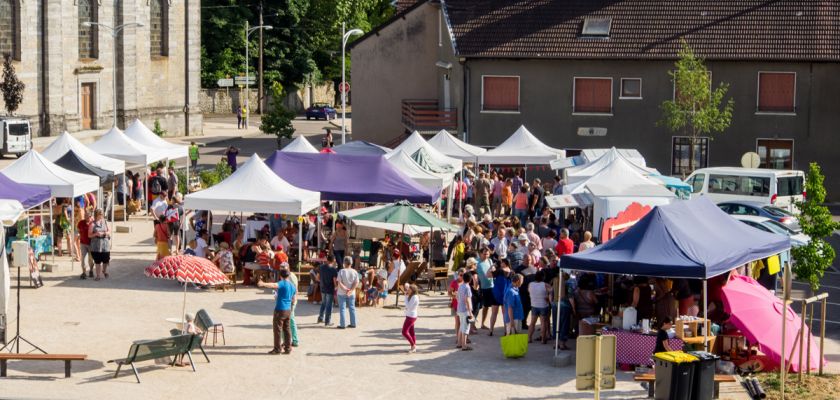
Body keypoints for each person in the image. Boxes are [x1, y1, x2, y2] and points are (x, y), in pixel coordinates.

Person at [258, 269, 297, 354]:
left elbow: (273, 285)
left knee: (277, 330)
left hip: (280, 309)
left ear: (280, 276)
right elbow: (293, 300)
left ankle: (277, 349)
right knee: (287, 329)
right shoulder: (292, 286)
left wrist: (263, 283)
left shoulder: (282, 283)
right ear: (289, 275)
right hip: (288, 310)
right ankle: (288, 348)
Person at [476, 247, 498, 335]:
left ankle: (482, 324)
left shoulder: (489, 261)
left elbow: (493, 271)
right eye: (484, 254)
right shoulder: (476, 262)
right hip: (481, 288)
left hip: (490, 286)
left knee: (487, 306)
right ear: (480, 254)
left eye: (488, 254)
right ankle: (472, 324)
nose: (486, 255)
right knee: (477, 307)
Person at [528, 270, 551, 344]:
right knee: (543, 323)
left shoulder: (530, 284)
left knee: (532, 323)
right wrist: (548, 297)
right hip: (543, 305)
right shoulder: (545, 285)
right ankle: (543, 339)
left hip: (534, 305)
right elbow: (551, 291)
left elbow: (529, 292)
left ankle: (529, 338)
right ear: (543, 277)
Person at [336, 256, 359, 329]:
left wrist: (345, 288)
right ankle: (353, 323)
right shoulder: (355, 271)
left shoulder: (341, 271)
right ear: (351, 263)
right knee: (352, 308)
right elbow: (356, 282)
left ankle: (342, 324)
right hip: (351, 293)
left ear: (344, 263)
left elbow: (339, 282)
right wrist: (351, 290)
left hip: (342, 292)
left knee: (342, 309)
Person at [88, 209, 111, 281]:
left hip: (105, 245)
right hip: (96, 246)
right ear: (96, 215)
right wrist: (96, 234)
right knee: (97, 261)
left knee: (106, 260)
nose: (101, 215)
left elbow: (109, 231)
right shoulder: (92, 224)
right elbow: (89, 235)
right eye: (99, 214)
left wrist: (105, 233)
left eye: (102, 214)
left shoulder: (105, 222)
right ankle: (98, 276)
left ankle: (104, 270)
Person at [317, 255, 338, 326]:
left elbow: (317, 278)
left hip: (322, 288)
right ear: (334, 260)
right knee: (329, 305)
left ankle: (320, 317)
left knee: (323, 303)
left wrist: (322, 282)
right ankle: (327, 321)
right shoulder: (334, 269)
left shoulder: (321, 267)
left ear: (327, 259)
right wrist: (336, 287)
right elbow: (334, 281)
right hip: (330, 288)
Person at [456, 271, 474, 350]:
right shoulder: (467, 287)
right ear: (470, 280)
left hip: (459, 309)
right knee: (466, 328)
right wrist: (470, 312)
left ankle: (459, 343)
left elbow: (457, 297)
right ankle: (464, 345)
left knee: (461, 326)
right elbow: (468, 300)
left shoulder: (460, 286)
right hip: (465, 310)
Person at [449, 268, 465, 344]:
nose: (462, 276)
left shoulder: (466, 282)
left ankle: (464, 338)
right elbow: (449, 293)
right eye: (461, 275)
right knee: (458, 322)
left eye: (464, 275)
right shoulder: (454, 282)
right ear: (458, 275)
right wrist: (455, 296)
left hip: (464, 306)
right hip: (456, 305)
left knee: (464, 322)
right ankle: (457, 338)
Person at [402, 283, 420, 353]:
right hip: (410, 315)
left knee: (404, 332)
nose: (408, 290)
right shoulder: (412, 296)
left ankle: (413, 345)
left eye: (409, 289)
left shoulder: (414, 297)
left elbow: (408, 306)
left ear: (412, 290)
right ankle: (413, 346)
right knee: (411, 332)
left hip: (411, 316)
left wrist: (406, 297)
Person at [77, 214, 94, 279]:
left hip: (91, 244)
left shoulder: (93, 223)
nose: (87, 217)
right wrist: (79, 235)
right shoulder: (81, 222)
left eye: (88, 216)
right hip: (83, 243)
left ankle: (91, 270)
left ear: (91, 216)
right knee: (83, 258)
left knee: (91, 259)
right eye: (85, 216)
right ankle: (84, 272)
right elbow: (78, 230)